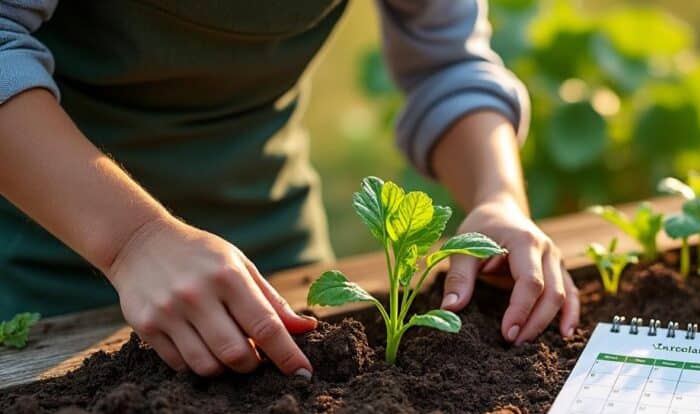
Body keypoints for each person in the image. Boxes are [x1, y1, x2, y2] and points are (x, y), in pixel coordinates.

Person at [0, 0, 579, 378]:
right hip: (47, 259)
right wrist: (134, 241)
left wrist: (497, 197)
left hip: (274, 261)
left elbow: (447, 61)